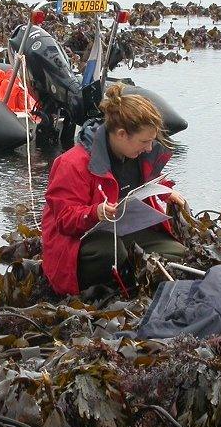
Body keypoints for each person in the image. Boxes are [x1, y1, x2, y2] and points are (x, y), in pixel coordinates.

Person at [41, 84, 187, 296]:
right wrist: (95, 212)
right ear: (120, 134)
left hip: (123, 230)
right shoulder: (72, 163)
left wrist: (164, 191)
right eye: (144, 141)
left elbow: (142, 184)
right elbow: (64, 220)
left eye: (151, 141)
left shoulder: (137, 153)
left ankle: (132, 278)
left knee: (177, 254)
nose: (149, 148)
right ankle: (101, 290)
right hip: (77, 242)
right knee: (112, 253)